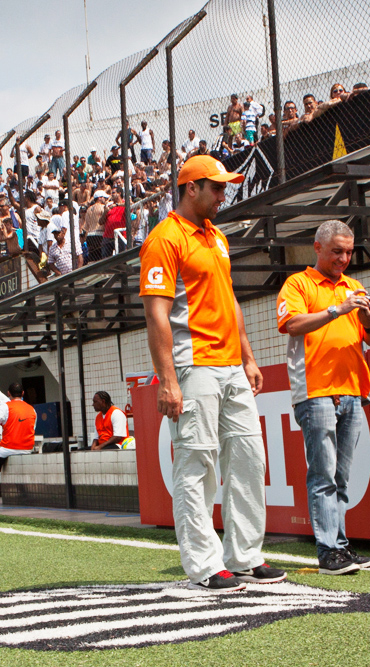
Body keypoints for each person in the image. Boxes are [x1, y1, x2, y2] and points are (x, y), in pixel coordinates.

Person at [140, 154, 285, 593]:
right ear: (191, 188)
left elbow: (230, 300)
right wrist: (167, 379)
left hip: (229, 365)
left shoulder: (217, 237)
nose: (224, 195)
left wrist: (248, 356)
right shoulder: (164, 239)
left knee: (248, 459)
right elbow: (156, 314)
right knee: (197, 462)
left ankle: (243, 557)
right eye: (217, 187)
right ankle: (204, 564)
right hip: (192, 364)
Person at [276, 220, 370, 576]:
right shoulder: (298, 284)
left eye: (349, 252)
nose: (344, 258)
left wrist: (368, 320)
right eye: (337, 251)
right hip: (315, 391)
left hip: (353, 390)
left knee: (341, 476)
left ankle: (340, 546)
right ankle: (328, 551)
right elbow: (292, 324)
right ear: (318, 248)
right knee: (323, 475)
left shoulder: (354, 286)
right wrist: (338, 309)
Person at [0, 384, 36, 466]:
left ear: (8, 393)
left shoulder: (6, 407)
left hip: (8, 449)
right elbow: (32, 428)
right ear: (23, 393)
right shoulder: (32, 409)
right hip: (27, 449)